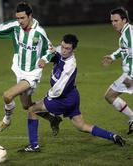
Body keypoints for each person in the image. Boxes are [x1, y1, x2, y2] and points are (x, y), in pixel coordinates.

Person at [0, 1, 62, 135]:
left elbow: (51, 50)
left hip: (32, 74)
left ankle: (6, 120)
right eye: (18, 18)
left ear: (30, 16)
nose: (20, 21)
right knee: (27, 106)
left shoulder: (39, 32)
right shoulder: (15, 27)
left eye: (22, 18)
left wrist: (44, 59)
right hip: (19, 70)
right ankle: (53, 118)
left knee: (7, 96)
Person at [18, 34, 126, 153]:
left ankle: (34, 145)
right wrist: (44, 57)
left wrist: (47, 96)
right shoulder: (61, 49)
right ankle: (113, 136)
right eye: (63, 46)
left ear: (73, 49)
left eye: (67, 49)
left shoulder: (69, 66)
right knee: (82, 126)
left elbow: (59, 90)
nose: (63, 50)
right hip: (73, 96)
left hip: (62, 98)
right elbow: (52, 50)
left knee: (32, 109)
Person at [102, 7, 133, 135]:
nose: (114, 24)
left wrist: (130, 76)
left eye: (116, 20)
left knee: (110, 95)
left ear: (124, 20)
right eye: (112, 21)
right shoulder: (126, 32)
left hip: (130, 74)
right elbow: (124, 49)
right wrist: (113, 56)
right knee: (110, 95)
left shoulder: (129, 34)